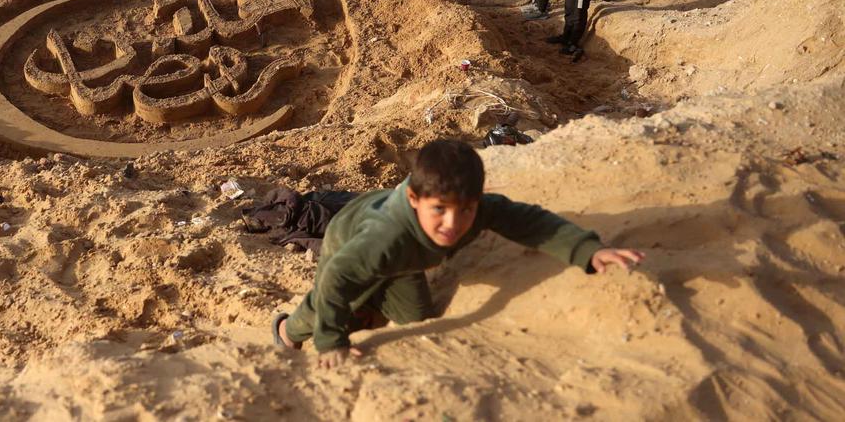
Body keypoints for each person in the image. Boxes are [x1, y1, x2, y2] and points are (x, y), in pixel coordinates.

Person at [272, 139, 644, 368]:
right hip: (351, 237)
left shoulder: (474, 208)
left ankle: (372, 306)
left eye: (465, 209)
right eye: (440, 210)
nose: (453, 223)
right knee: (337, 301)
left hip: (407, 258)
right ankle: (286, 331)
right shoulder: (384, 238)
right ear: (415, 199)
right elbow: (338, 277)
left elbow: (530, 222)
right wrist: (331, 342)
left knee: (417, 317)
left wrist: (587, 250)